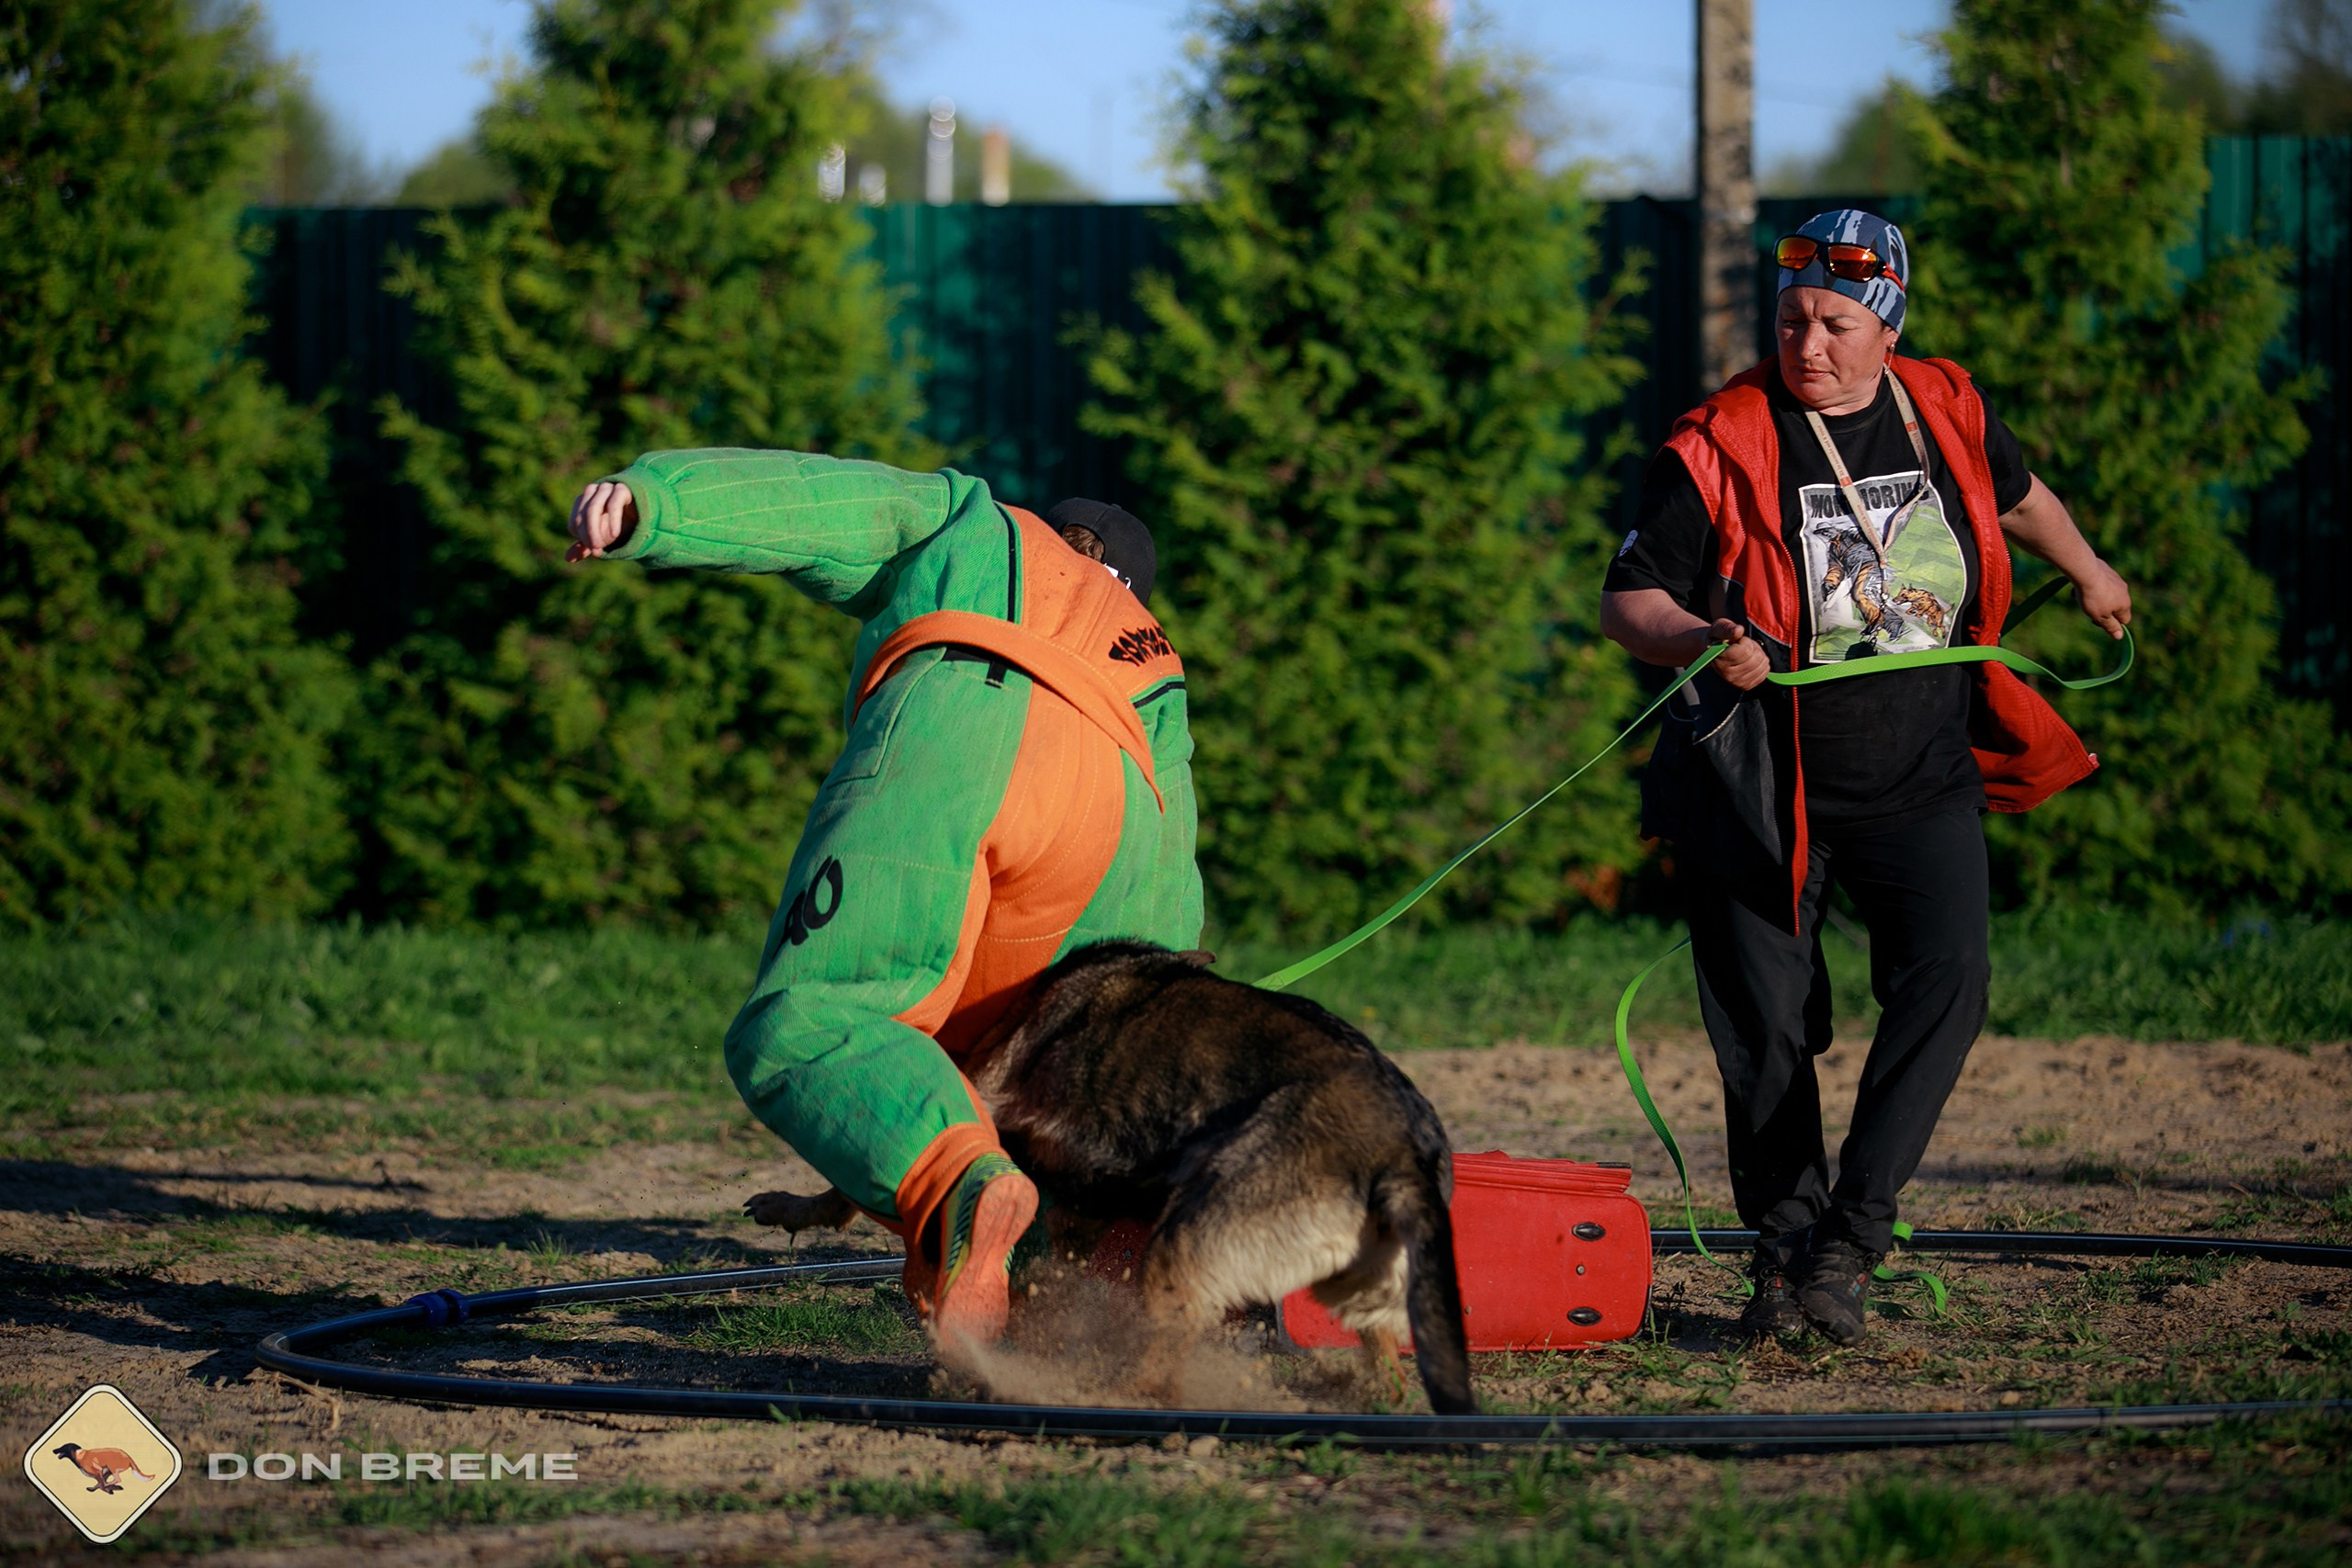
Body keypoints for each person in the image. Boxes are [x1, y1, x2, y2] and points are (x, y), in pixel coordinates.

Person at [1599, 209, 2132, 1347]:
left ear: (1888, 326)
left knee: (1949, 981)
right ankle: (1786, 1259)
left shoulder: (1945, 406)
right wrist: (1699, 633)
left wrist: (2087, 569)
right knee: (1765, 1028)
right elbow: (1627, 598)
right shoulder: (1721, 439)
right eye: (1791, 321)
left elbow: (2021, 493)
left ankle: (1852, 1234)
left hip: (1920, 774)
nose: (1807, 346)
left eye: (1836, 323)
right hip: (1758, 785)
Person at [565, 452, 1202, 1364]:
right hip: (1116, 802)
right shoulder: (1153, 652)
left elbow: (833, 507)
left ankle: (955, 1188)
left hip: (959, 728)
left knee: (820, 1017)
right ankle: (1089, 1274)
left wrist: (657, 505)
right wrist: (1162, 1001)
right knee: (1058, 1062)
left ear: (1050, 533)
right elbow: (1166, 873)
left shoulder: (979, 523)